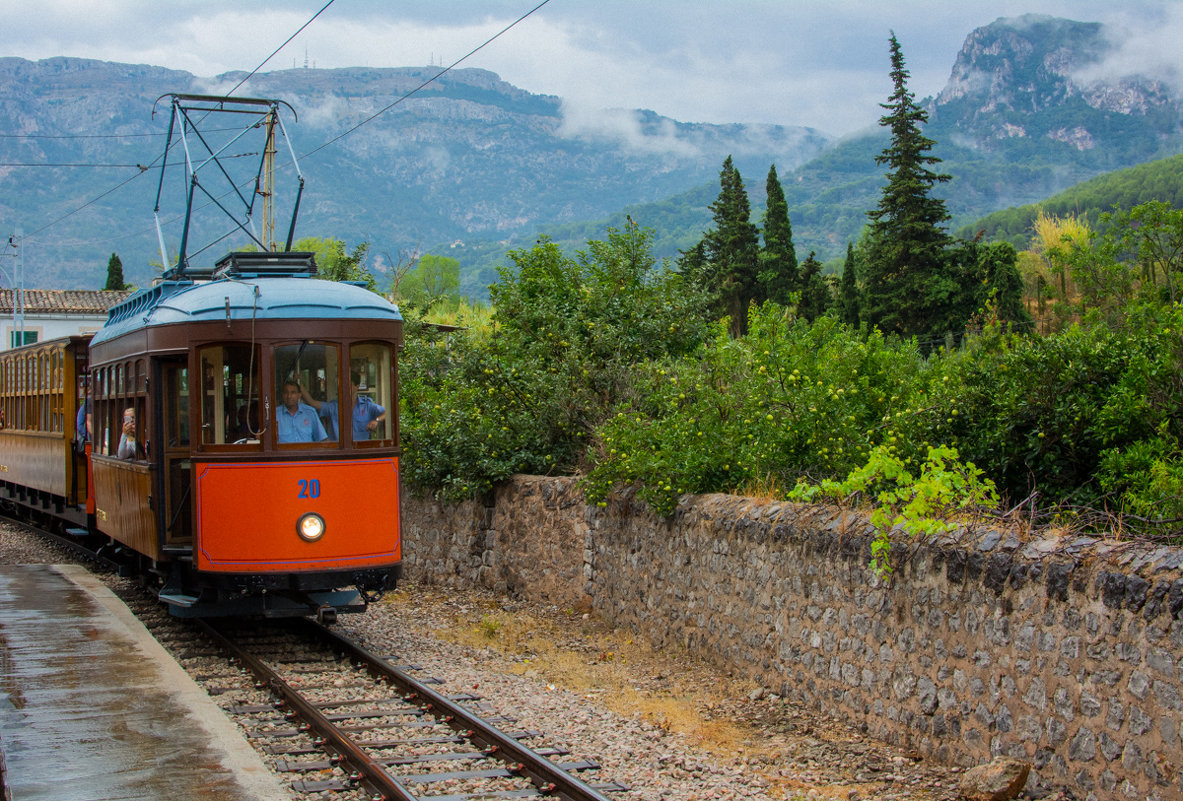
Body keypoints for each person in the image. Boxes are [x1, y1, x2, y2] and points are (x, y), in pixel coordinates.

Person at [303, 370, 386, 442]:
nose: (344, 388)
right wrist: (299, 385)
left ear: (357, 386)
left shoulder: (367, 406)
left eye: (348, 384)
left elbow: (387, 413)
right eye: (342, 385)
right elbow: (312, 402)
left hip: (361, 453)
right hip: (338, 455)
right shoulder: (334, 406)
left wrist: (376, 420)